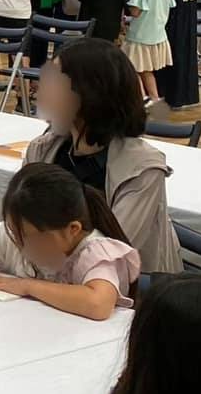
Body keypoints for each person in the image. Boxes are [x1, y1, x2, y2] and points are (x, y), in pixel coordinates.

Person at [26, 39, 181, 274]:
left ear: (89, 93)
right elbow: (17, 227)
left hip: (121, 287)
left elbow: (113, 254)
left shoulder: (143, 169)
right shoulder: (43, 150)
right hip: (50, 277)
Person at [0, 161, 140, 320]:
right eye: (16, 233)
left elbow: (98, 304)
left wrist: (26, 286)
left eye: (35, 239)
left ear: (73, 229)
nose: (24, 247)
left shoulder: (96, 252)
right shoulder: (15, 235)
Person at [122, 0, 175, 103]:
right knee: (146, 70)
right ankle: (154, 98)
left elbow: (135, 12)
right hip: (158, 34)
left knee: (132, 69)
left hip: (139, 36)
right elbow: (171, 4)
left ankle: (143, 99)